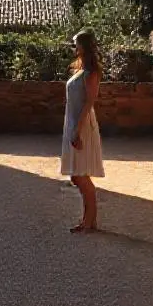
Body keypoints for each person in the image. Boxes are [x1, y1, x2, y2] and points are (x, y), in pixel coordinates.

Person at [61, 28, 105, 232]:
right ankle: (88, 220)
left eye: (76, 44)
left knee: (80, 175)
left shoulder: (91, 72)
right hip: (73, 123)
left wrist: (77, 130)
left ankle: (90, 221)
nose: (74, 47)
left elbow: (89, 102)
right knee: (76, 175)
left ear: (84, 46)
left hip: (83, 125)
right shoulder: (81, 70)